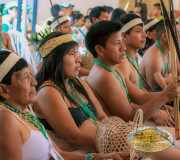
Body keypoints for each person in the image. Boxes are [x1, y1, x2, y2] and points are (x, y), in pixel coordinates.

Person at [0, 50, 138, 160]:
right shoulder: (5, 118)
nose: (34, 82)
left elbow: (59, 154)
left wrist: (103, 157)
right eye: (25, 77)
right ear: (3, 90)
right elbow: (74, 138)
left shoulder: (23, 112)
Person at [32, 32, 139, 160]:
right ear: (53, 58)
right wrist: (116, 145)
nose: (79, 59)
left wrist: (121, 137)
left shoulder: (79, 83)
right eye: (72, 54)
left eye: (78, 53)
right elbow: (74, 138)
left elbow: (102, 116)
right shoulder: (48, 92)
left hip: (103, 146)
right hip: (81, 154)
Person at [86, 20, 179, 126]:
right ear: (99, 49)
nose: (123, 47)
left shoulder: (112, 70)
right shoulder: (104, 76)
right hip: (124, 132)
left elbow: (141, 97)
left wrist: (168, 94)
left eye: (121, 42)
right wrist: (164, 97)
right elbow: (130, 118)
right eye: (117, 43)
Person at [114, 14, 174, 127]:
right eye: (138, 31)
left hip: (142, 110)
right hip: (133, 120)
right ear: (124, 36)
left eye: (144, 31)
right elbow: (126, 103)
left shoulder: (135, 57)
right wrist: (155, 113)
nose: (145, 35)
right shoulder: (122, 64)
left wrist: (161, 105)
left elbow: (141, 91)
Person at [140, 20, 180, 91]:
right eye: (177, 33)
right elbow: (155, 91)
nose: (179, 36)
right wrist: (170, 80)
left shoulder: (172, 50)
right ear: (165, 36)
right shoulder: (153, 57)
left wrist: (166, 80)